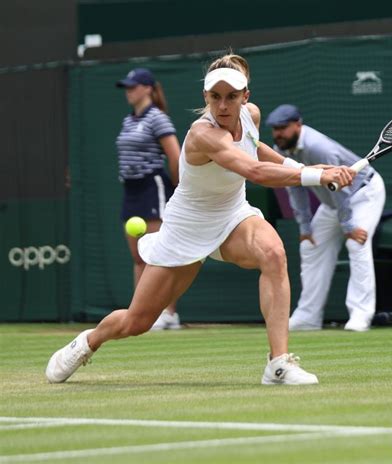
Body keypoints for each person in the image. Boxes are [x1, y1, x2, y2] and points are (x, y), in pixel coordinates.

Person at [46, 54, 355, 386]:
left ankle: (278, 364)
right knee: (137, 322)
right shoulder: (201, 134)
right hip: (186, 229)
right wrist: (313, 176)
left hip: (233, 216)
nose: (223, 105)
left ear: (245, 97)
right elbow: (253, 170)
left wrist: (304, 169)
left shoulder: (250, 116)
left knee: (273, 254)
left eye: (231, 96)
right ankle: (88, 342)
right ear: (206, 96)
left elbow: (255, 147)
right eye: (215, 97)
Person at [266, 104, 386, 332]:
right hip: (332, 203)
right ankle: (307, 316)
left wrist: (349, 226)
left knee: (356, 243)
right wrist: (305, 227)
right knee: (310, 246)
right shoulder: (280, 149)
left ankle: (361, 315)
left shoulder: (319, 148)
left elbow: (342, 189)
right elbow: (295, 187)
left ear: (298, 125)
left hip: (363, 193)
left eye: (283, 128)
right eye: (275, 129)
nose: (278, 134)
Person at [116, 68, 181, 330]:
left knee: (159, 255)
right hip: (131, 191)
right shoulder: (128, 121)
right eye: (127, 87)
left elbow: (175, 156)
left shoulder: (157, 118)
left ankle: (169, 313)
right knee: (139, 257)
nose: (129, 91)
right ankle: (140, 313)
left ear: (148, 89)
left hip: (153, 187)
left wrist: (178, 188)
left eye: (133, 86)